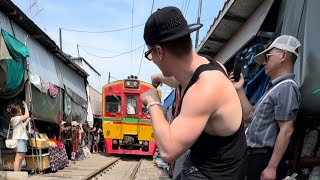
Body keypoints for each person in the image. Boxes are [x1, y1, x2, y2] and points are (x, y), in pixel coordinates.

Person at [142, 6, 247, 179]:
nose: (152, 60)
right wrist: (159, 77)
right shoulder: (210, 66)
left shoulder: (206, 88)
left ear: (159, 52)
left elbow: (168, 150)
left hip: (214, 175)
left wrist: (153, 102)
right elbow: (180, 79)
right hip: (201, 166)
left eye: (150, 54)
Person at [230, 35, 301, 180]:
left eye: (268, 57)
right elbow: (249, 116)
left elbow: (286, 129)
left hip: (263, 159)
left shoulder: (286, 87)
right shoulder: (273, 88)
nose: (264, 63)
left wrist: (271, 167)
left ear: (283, 56)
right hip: (254, 158)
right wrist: (239, 89)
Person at [7, 101, 30, 171]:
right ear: (16, 111)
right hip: (19, 140)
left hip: (22, 140)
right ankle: (16, 175)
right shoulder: (15, 118)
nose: (21, 110)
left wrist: (27, 121)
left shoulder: (17, 119)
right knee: (18, 158)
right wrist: (26, 107)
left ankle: (18, 174)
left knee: (21, 158)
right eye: (20, 109)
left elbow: (23, 126)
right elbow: (26, 115)